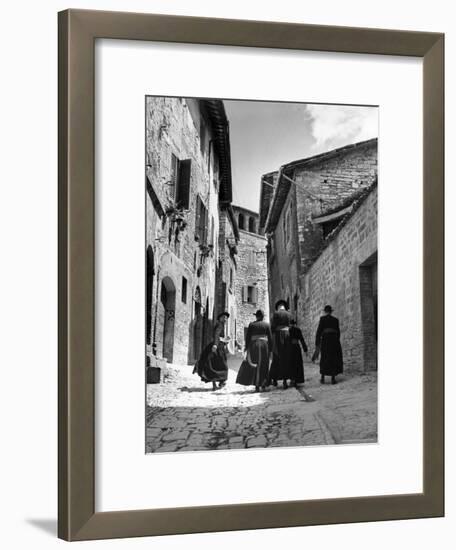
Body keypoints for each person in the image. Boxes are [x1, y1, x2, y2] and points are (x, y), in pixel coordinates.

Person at [236, 309, 273, 392]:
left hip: (254, 345)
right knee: (264, 364)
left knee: (255, 363)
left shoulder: (252, 325)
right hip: (264, 346)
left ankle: (256, 385)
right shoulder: (267, 325)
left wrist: (246, 348)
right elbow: (270, 339)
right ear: (263, 317)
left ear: (256, 316)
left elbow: (248, 337)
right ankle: (263, 384)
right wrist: (271, 350)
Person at [193, 311, 230, 390]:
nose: (225, 319)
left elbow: (219, 337)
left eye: (226, 318)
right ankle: (221, 382)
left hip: (218, 346)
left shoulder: (220, 325)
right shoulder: (220, 325)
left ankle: (215, 384)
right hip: (217, 348)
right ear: (220, 318)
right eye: (223, 317)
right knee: (222, 365)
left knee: (213, 364)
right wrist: (216, 345)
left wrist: (224, 340)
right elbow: (216, 335)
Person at [314, 305, 343, 384]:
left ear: (325, 311)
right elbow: (338, 332)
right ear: (331, 311)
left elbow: (319, 331)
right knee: (333, 358)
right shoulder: (335, 320)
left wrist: (317, 342)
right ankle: (333, 378)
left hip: (326, 340)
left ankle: (322, 378)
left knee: (324, 357)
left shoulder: (322, 319)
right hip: (334, 341)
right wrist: (337, 341)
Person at [269, 299, 293, 389]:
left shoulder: (276, 314)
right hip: (287, 336)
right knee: (286, 357)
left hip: (278, 336)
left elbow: (272, 327)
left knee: (276, 357)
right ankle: (285, 381)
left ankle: (274, 379)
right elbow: (291, 326)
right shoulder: (289, 314)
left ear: (278, 307)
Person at [289, 319, 308, 387]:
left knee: (291, 364)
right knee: (297, 363)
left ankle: (292, 379)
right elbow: (302, 340)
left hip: (290, 348)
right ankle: (297, 379)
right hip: (297, 347)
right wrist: (305, 349)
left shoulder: (288, 330)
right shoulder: (298, 330)